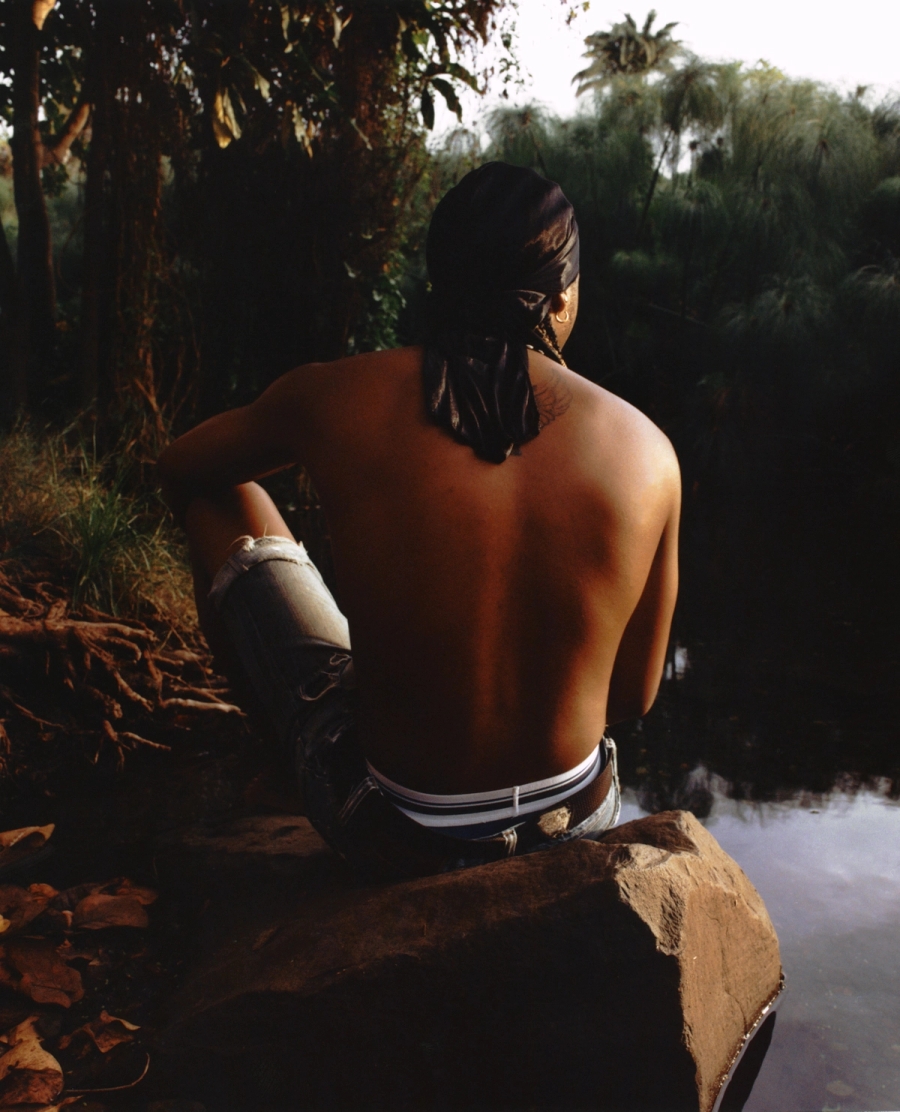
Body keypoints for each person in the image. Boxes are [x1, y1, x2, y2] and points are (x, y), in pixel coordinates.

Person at [157, 162, 680, 881]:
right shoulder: (649, 451)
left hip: (393, 831)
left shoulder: (334, 396)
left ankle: (281, 752)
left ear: (438, 282)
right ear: (562, 294)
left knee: (220, 498)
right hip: (575, 817)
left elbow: (182, 469)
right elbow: (631, 698)